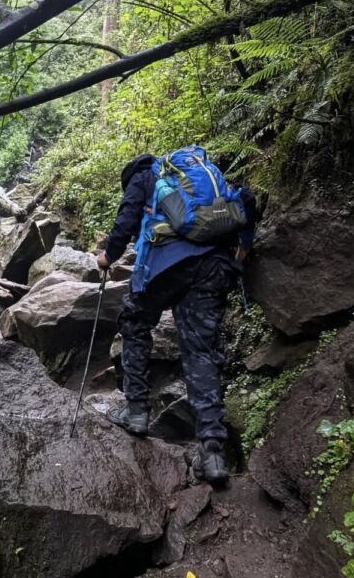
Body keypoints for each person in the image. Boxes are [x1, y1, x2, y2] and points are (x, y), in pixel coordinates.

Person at [97, 152, 256, 485]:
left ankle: (137, 411)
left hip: (163, 269)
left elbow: (126, 221)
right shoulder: (197, 178)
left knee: (136, 324)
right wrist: (243, 247)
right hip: (213, 268)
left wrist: (107, 257)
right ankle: (212, 452)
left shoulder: (144, 177)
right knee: (201, 352)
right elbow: (247, 200)